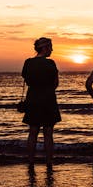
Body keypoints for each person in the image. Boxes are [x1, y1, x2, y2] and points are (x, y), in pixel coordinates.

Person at [21, 37, 61, 168]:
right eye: (50, 47)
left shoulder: (28, 62)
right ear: (44, 48)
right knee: (48, 133)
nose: (52, 49)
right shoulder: (51, 64)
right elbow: (56, 83)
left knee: (33, 132)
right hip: (48, 100)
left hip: (33, 99)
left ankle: (30, 161)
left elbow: (27, 81)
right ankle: (49, 162)